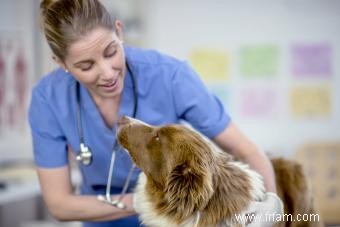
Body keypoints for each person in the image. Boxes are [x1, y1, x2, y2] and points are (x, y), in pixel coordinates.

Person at [28, 0, 283, 226]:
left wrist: (271, 200)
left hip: (173, 218)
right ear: (61, 63)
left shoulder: (170, 76)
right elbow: (59, 204)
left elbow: (246, 150)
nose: (107, 73)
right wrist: (142, 202)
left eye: (111, 52)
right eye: (86, 66)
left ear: (119, 31)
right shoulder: (48, 99)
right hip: (100, 216)